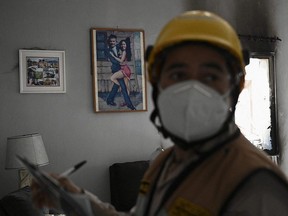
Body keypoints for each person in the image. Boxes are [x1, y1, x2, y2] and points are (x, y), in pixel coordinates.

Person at [31, 10, 288, 215]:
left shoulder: (257, 185)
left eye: (210, 75)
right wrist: (73, 198)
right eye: (178, 74)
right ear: (158, 84)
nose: (192, 90)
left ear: (235, 85)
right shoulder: (164, 163)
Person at [105, 34, 136, 110]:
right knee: (122, 87)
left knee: (119, 86)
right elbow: (113, 61)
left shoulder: (120, 46)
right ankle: (129, 104)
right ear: (109, 42)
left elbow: (125, 48)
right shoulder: (108, 51)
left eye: (114, 41)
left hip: (122, 69)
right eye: (111, 41)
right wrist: (120, 61)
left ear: (116, 42)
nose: (112, 42)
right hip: (116, 69)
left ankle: (109, 100)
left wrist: (122, 60)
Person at [110, 38, 133, 106]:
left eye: (124, 44)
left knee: (112, 78)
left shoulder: (124, 52)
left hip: (124, 69)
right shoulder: (124, 51)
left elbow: (121, 61)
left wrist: (113, 56)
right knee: (126, 87)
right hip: (126, 69)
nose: (123, 45)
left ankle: (120, 86)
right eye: (122, 44)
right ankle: (126, 102)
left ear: (126, 45)